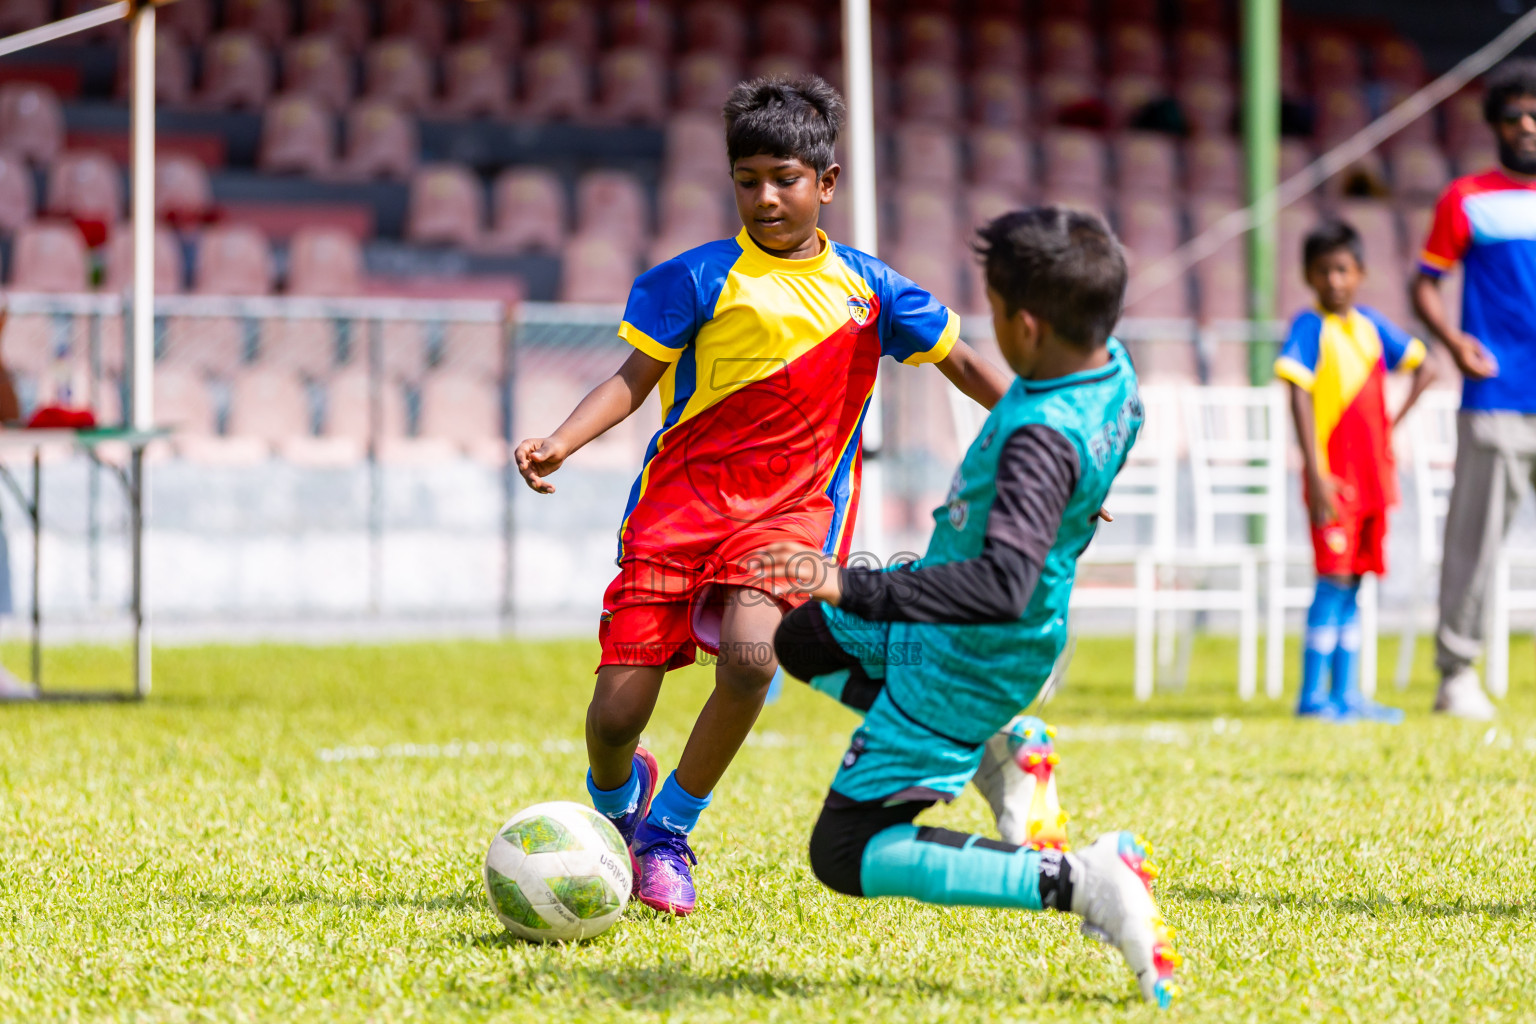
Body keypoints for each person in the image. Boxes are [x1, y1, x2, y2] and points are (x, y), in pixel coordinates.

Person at [512, 75, 1015, 916]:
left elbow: (967, 365)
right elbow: (632, 382)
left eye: (785, 178)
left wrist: (1049, 441)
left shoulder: (873, 291)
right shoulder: (695, 278)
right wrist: (559, 439)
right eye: (748, 180)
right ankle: (616, 805)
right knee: (613, 717)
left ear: (827, 183)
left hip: (790, 516)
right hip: (674, 515)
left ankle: (668, 832)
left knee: (753, 658)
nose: (766, 196)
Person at [763, 207, 1181, 1008]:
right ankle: (1002, 750)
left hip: (969, 654)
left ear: (1026, 326)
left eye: (992, 311)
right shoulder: (1112, 368)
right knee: (805, 640)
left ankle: (1083, 880)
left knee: (845, 852)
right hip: (976, 622)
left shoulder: (1040, 438)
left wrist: (851, 582)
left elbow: (1001, 588)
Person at [1412, 58, 1536, 720]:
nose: (1528, 124)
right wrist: (1455, 343)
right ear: (1494, 124)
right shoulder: (1466, 197)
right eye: (1514, 113)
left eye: (1535, 112)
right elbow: (1424, 280)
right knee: (1476, 540)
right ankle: (1456, 674)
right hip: (1500, 400)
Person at [1275, 219, 1435, 723]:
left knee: (1357, 583)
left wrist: (1391, 425)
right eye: (1323, 272)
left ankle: (1346, 695)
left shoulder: (1369, 326)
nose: (1334, 281)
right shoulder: (1309, 327)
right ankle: (1312, 696)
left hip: (1373, 480)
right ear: (1307, 276)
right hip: (1334, 479)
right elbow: (1297, 395)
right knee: (1333, 579)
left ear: (1360, 272)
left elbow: (1424, 366)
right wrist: (1316, 472)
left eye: (1342, 270)